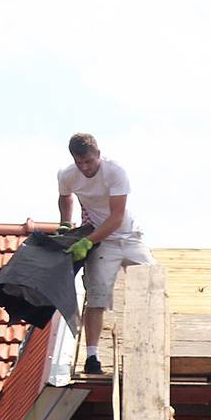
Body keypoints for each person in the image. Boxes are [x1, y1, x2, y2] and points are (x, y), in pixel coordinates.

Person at [57, 133, 152, 376]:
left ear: (97, 155)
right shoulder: (67, 175)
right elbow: (65, 196)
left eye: (89, 162)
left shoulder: (114, 172)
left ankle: (150, 346)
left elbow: (116, 217)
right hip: (103, 244)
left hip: (129, 236)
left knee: (153, 286)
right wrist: (66, 223)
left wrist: (87, 242)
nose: (85, 167)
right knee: (97, 295)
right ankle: (92, 357)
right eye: (80, 163)